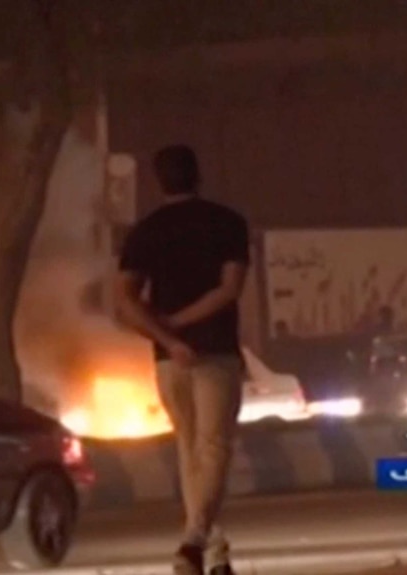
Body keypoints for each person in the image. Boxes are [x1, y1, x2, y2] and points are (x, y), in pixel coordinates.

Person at [114, 144, 249, 575]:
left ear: (159, 180)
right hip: (215, 353)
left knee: (190, 452)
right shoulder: (228, 222)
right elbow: (229, 289)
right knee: (212, 449)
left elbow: (125, 301)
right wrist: (182, 326)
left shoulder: (145, 232)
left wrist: (167, 337)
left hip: (168, 361)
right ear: (199, 175)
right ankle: (193, 544)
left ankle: (215, 550)